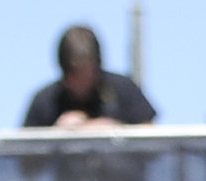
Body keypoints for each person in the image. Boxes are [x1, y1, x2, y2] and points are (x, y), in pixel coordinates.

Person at [19, 22, 152, 126]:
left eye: (88, 73)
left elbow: (149, 134)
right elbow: (25, 149)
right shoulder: (46, 102)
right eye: (76, 75)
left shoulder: (123, 90)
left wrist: (106, 128)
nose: (83, 82)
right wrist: (57, 134)